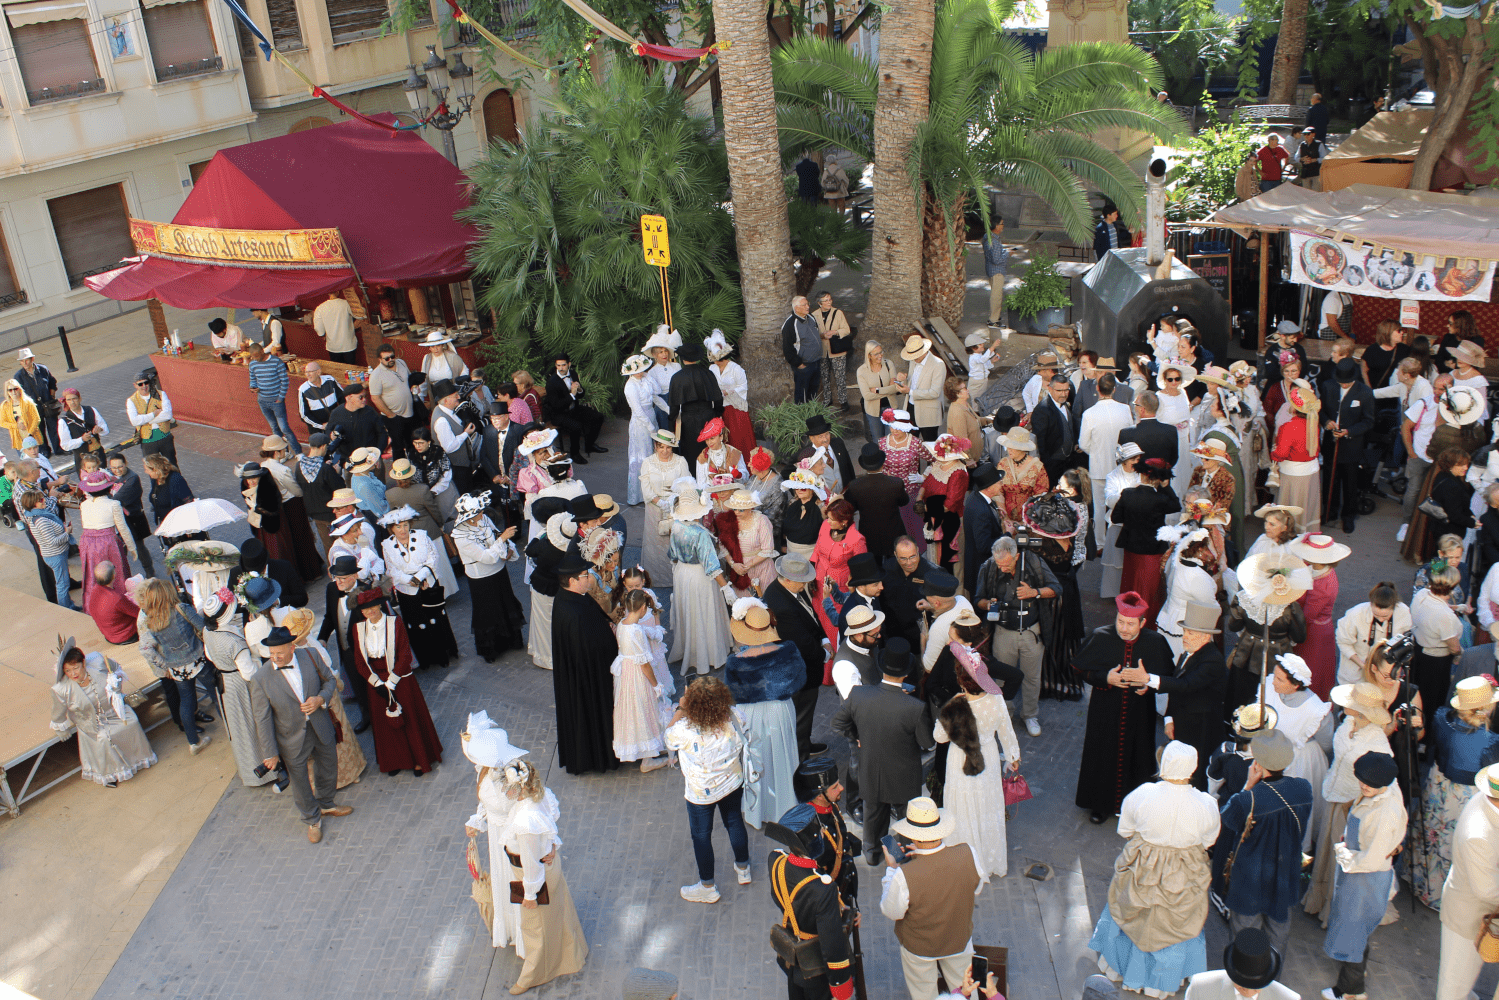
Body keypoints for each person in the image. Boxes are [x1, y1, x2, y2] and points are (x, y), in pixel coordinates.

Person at [1089, 741, 1221, 997]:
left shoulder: (1143, 794)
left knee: (1133, 914)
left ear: (1165, 764)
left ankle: (1124, 969)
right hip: (1184, 871)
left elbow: (1125, 829)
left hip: (1143, 867)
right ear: (1192, 767)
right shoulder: (1206, 803)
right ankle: (1163, 981)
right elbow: (1208, 840)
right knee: (1177, 922)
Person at [469, 758, 589, 994]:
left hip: (534, 875)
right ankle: (570, 956)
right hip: (548, 867)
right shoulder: (540, 796)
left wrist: (531, 896)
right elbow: (551, 820)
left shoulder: (525, 821)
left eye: (506, 787)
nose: (504, 793)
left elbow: (531, 864)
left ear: (517, 787)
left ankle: (533, 975)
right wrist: (552, 845)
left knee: (534, 927)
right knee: (558, 914)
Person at [1209, 730, 1314, 958]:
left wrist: (1248, 784)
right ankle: (1272, 973)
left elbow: (1227, 818)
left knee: (1245, 935)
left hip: (1250, 879)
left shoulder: (1248, 799)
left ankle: (1246, 974)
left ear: (1257, 762)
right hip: (1285, 874)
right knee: (1278, 931)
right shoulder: (1304, 788)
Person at [1075, 592, 1172, 823]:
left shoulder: (1155, 642)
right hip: (1105, 710)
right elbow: (1080, 669)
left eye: (1130, 624)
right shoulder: (1101, 636)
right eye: (1120, 622)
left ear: (1142, 623)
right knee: (1102, 754)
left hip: (1139, 713)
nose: (1124, 629)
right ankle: (1100, 805)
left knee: (1138, 755)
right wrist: (1105, 678)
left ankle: (1134, 808)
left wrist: (1147, 684)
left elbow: (1168, 677)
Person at [832, 643, 935, 864]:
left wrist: (857, 736)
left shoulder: (859, 694)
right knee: (907, 818)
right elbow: (927, 742)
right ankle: (905, 856)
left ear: (882, 668)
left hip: (872, 769)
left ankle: (873, 854)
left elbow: (838, 723)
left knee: (873, 814)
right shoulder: (915, 707)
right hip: (904, 775)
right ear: (905, 673)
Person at [250, 625, 353, 842]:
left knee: (328, 766)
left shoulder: (311, 655)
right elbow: (262, 719)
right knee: (300, 782)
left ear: (292, 648)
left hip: (320, 726)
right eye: (271, 653)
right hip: (290, 738)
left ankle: (326, 804)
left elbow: (329, 680)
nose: (275, 658)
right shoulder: (260, 678)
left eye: (279, 653)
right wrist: (270, 753)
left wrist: (320, 699)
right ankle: (312, 819)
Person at [877, 796, 983, 1000]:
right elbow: (976, 887)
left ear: (913, 836)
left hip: (919, 948)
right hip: (959, 940)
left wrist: (892, 869)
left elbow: (891, 911)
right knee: (968, 990)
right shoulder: (968, 853)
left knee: (924, 994)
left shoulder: (904, 875)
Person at [1304, 681, 1393, 923]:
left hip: (1352, 807)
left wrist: (1357, 805)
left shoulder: (1378, 745)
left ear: (1363, 711)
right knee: (1326, 851)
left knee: (1340, 856)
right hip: (1333, 796)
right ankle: (1319, 899)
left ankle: (1335, 911)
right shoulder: (1347, 723)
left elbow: (1382, 786)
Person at [1321, 752, 1406, 1000]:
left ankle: (1350, 991)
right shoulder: (1381, 793)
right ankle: (1356, 969)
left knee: (1353, 933)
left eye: (1371, 783)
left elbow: (1372, 860)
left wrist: (1342, 851)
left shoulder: (1385, 813)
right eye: (1362, 780)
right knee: (1356, 930)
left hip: (1365, 879)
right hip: (1357, 876)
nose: (1364, 786)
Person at [934, 639, 1020, 880]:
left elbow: (939, 737)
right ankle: (989, 860)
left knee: (962, 807)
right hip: (987, 758)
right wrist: (1013, 756)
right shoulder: (996, 699)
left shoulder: (954, 706)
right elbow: (1006, 731)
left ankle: (964, 863)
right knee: (988, 805)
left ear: (961, 680)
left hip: (960, 761)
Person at [667, 675, 753, 902]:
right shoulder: (735, 716)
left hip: (700, 792)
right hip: (732, 783)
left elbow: (668, 737)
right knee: (734, 822)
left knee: (701, 836)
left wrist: (680, 708)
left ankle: (707, 887)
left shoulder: (684, 730)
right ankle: (743, 868)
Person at [349, 587, 443, 777]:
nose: (369, 611)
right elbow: (359, 661)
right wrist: (377, 684)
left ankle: (419, 760)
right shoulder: (358, 628)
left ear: (379, 606)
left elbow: (405, 655)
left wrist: (391, 683)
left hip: (399, 678)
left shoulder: (395, 622)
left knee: (408, 719)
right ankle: (394, 760)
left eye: (372, 607)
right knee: (384, 724)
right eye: (365, 609)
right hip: (376, 680)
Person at [766, 803, 856, 1000]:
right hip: (816, 972)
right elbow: (832, 944)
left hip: (793, 962)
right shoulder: (823, 889)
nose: (823, 834)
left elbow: (778, 898)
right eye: (820, 832)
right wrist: (841, 983)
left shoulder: (775, 861)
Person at [726, 600, 803, 827]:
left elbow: (731, 693)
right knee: (783, 754)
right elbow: (799, 680)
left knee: (756, 758)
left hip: (750, 714)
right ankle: (786, 805)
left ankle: (757, 809)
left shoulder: (735, 662)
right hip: (780, 709)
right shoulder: (788, 652)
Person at [1137, 602, 1228, 790]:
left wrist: (1147, 678)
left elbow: (1186, 685)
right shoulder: (1190, 652)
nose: (1184, 636)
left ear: (1206, 636)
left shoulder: (1212, 660)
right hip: (1183, 724)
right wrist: (1169, 719)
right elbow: (1176, 685)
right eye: (1185, 631)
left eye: (1190, 633)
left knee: (1194, 774)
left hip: (1200, 731)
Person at [50, 639, 155, 788]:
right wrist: (60, 727)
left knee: (131, 722)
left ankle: (138, 760)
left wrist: (116, 683)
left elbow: (116, 669)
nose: (72, 673)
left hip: (113, 710)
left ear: (83, 663)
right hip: (91, 722)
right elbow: (58, 710)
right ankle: (110, 773)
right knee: (104, 738)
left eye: (75, 668)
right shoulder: (61, 689)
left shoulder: (98, 663)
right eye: (68, 670)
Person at [1435, 763, 1499, 1000]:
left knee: (1465, 982)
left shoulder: (1485, 800)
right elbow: (1487, 890)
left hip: (1475, 910)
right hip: (1468, 917)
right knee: (1454, 986)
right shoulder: (1478, 835)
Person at [551, 554, 620, 775]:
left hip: (590, 673)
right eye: (584, 575)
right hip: (589, 679)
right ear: (572, 581)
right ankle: (599, 756)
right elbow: (589, 648)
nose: (589, 578)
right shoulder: (572, 612)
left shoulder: (574, 597)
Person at [136, 578, 213, 754]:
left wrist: (165, 666)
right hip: (198, 660)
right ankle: (232, 727)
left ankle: (193, 742)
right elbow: (202, 628)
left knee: (186, 702)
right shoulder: (181, 609)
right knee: (215, 693)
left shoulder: (151, 621)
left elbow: (146, 648)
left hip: (176, 669)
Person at [1263, 654, 1332, 851]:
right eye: (1275, 675)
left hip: (1301, 761)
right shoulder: (1270, 686)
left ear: (1295, 685)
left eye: (1280, 679)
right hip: (1270, 750)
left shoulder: (1316, 709)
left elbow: (1326, 743)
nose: (1273, 681)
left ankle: (1299, 848)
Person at [764, 553, 828, 759]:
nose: (804, 586)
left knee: (803, 717)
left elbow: (810, 614)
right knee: (801, 716)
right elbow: (803, 643)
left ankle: (804, 745)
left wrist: (824, 637)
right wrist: (825, 653)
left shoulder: (787, 589)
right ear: (788, 579)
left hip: (801, 666)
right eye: (801, 582)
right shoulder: (781, 605)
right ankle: (801, 759)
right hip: (799, 672)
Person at [451, 492, 526, 663]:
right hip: (482, 578)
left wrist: (508, 548)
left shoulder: (483, 519)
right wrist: (502, 540)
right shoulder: (461, 537)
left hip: (499, 571)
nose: (482, 513)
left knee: (505, 604)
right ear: (469, 517)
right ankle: (493, 649)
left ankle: (512, 641)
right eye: (478, 512)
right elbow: (485, 557)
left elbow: (497, 535)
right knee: (487, 612)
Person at [380, 506, 458, 669]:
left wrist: (420, 577)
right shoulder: (387, 545)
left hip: (427, 584)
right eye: (398, 527)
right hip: (406, 589)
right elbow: (391, 569)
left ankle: (443, 655)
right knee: (417, 623)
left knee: (435, 619)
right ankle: (426, 659)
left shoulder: (422, 536)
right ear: (391, 529)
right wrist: (410, 580)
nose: (403, 530)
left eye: (405, 525)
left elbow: (433, 558)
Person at [667, 489, 733, 675]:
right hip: (699, 576)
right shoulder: (700, 534)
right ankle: (708, 655)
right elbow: (711, 566)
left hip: (681, 573)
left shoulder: (676, 525)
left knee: (689, 611)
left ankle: (690, 651)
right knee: (703, 611)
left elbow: (672, 555)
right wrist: (726, 588)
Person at [1318, 359, 1375, 533]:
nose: (1343, 385)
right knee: (1330, 480)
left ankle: (1348, 516)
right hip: (1331, 444)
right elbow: (1320, 410)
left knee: (1350, 483)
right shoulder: (1328, 386)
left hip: (1352, 446)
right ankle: (1330, 512)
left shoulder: (1365, 392)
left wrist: (1349, 431)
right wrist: (1326, 422)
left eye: (1347, 382)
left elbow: (1368, 421)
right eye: (1341, 381)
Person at [317, 555, 370, 733]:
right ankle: (366, 716)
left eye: (343, 578)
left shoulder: (366, 591)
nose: (338, 582)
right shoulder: (332, 589)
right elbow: (329, 617)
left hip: (366, 650)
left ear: (354, 576)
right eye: (336, 577)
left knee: (372, 684)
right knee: (357, 685)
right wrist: (322, 638)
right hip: (346, 650)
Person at [1182, 928, 1297, 1000]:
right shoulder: (1200, 987)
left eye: (1256, 988)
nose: (1248, 991)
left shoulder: (1289, 998)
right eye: (1241, 986)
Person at [76, 469, 137, 602]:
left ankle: (96, 602)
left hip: (87, 542)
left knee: (92, 574)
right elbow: (123, 528)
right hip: (108, 542)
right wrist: (132, 547)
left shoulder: (84, 505)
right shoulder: (114, 504)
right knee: (116, 573)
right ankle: (119, 601)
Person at [1335, 582, 1412, 687]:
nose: (1380, 619)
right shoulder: (1356, 614)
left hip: (1386, 675)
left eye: (1385, 616)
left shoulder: (1404, 613)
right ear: (1371, 604)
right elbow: (1343, 643)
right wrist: (1364, 666)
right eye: (1376, 615)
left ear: (1394, 607)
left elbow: (1408, 639)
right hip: (1355, 674)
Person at [666, 342, 723, 474]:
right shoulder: (708, 374)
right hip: (708, 417)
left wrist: (670, 423)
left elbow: (674, 406)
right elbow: (718, 399)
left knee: (690, 454)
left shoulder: (677, 377)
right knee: (710, 451)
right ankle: (712, 478)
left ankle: (693, 480)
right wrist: (716, 414)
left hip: (688, 421)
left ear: (682, 358)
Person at [544, 352, 606, 464]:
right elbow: (556, 405)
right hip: (559, 413)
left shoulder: (573, 373)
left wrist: (579, 390)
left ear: (569, 364)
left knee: (598, 417)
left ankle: (590, 445)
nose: (561, 368)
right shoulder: (551, 382)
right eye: (558, 365)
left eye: (563, 365)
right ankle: (575, 453)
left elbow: (581, 394)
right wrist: (572, 394)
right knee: (576, 426)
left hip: (573, 409)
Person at [245, 344, 300, 455]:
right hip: (262, 400)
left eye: (256, 356)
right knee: (274, 428)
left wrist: (280, 398)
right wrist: (253, 387)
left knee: (284, 428)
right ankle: (283, 453)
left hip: (276, 401)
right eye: (253, 356)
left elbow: (285, 381)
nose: (255, 359)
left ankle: (298, 452)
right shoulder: (252, 364)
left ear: (262, 351)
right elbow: (253, 379)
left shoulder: (276, 362)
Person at [366, 344, 414, 461]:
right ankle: (400, 470)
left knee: (411, 441)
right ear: (380, 359)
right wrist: (391, 415)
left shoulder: (401, 363)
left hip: (409, 412)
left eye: (392, 357)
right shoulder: (376, 375)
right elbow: (375, 398)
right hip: (393, 417)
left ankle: (414, 465)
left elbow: (409, 379)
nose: (391, 360)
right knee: (398, 446)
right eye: (387, 358)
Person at [859, 341, 909, 443]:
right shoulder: (861, 371)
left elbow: (895, 388)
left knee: (891, 440)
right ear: (869, 355)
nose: (880, 355)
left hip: (891, 408)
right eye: (876, 354)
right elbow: (867, 396)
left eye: (881, 352)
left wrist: (877, 390)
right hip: (873, 412)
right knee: (878, 441)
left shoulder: (888, 364)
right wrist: (889, 390)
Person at [811, 293, 853, 410]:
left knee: (840, 377)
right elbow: (812, 333)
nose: (829, 302)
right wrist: (822, 335)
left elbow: (846, 330)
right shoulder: (814, 315)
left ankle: (843, 401)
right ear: (819, 303)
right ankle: (827, 399)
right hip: (822, 351)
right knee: (824, 377)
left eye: (830, 299)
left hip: (837, 350)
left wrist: (834, 332)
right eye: (825, 300)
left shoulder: (838, 313)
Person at [125, 370, 176, 464]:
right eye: (140, 384)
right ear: (135, 385)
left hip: (165, 436)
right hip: (147, 441)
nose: (144, 386)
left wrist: (144, 420)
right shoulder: (131, 401)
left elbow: (167, 415)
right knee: (152, 468)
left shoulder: (161, 394)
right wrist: (153, 414)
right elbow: (134, 421)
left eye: (146, 382)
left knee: (172, 465)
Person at [14, 348, 59, 455]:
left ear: (32, 359)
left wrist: (51, 396)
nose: (25, 363)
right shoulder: (18, 376)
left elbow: (52, 382)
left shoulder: (43, 369)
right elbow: (17, 395)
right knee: (39, 431)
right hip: (33, 409)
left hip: (48, 405)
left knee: (54, 428)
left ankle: (59, 449)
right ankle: (45, 451)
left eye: (27, 360)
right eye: (22, 361)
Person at [902, 335, 947, 442]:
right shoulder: (913, 361)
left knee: (930, 445)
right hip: (911, 408)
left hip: (928, 413)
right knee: (910, 444)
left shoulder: (938, 364)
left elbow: (935, 392)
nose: (914, 359)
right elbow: (912, 382)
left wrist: (910, 392)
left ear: (924, 351)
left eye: (916, 356)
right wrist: (902, 381)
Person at [783, 295, 822, 403]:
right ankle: (803, 412)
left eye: (807, 304)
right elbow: (787, 348)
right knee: (802, 392)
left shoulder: (810, 317)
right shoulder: (790, 324)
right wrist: (799, 364)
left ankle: (812, 411)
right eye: (804, 305)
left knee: (814, 389)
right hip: (804, 364)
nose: (807, 306)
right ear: (796, 308)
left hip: (816, 361)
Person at [296, 362, 344, 438]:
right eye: (306, 372)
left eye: (310, 372)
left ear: (318, 372)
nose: (307, 375)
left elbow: (343, 398)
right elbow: (304, 415)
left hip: (336, 425)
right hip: (319, 431)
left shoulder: (330, 380)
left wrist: (342, 417)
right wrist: (321, 425)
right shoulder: (303, 389)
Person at [311, 291, 357, 363]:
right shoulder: (346, 304)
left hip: (333, 346)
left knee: (337, 368)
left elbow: (319, 330)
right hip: (349, 344)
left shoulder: (320, 308)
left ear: (328, 293)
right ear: (338, 292)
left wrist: (323, 334)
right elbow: (360, 316)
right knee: (351, 368)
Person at [1, 378, 41, 456]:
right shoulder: (5, 405)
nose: (13, 392)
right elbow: (2, 422)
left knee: (37, 458)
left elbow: (36, 419)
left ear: (19, 389)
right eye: (10, 390)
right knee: (24, 460)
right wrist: (16, 426)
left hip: (32, 436)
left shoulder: (28, 402)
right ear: (7, 392)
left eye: (15, 389)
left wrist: (30, 433)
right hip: (18, 438)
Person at [982, 218, 1009, 328]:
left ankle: (995, 317)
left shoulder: (987, 237)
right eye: (1002, 224)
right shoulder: (995, 241)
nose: (1003, 226)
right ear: (996, 226)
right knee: (996, 297)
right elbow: (997, 260)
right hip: (997, 272)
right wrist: (1008, 254)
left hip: (991, 270)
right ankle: (993, 320)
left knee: (995, 295)